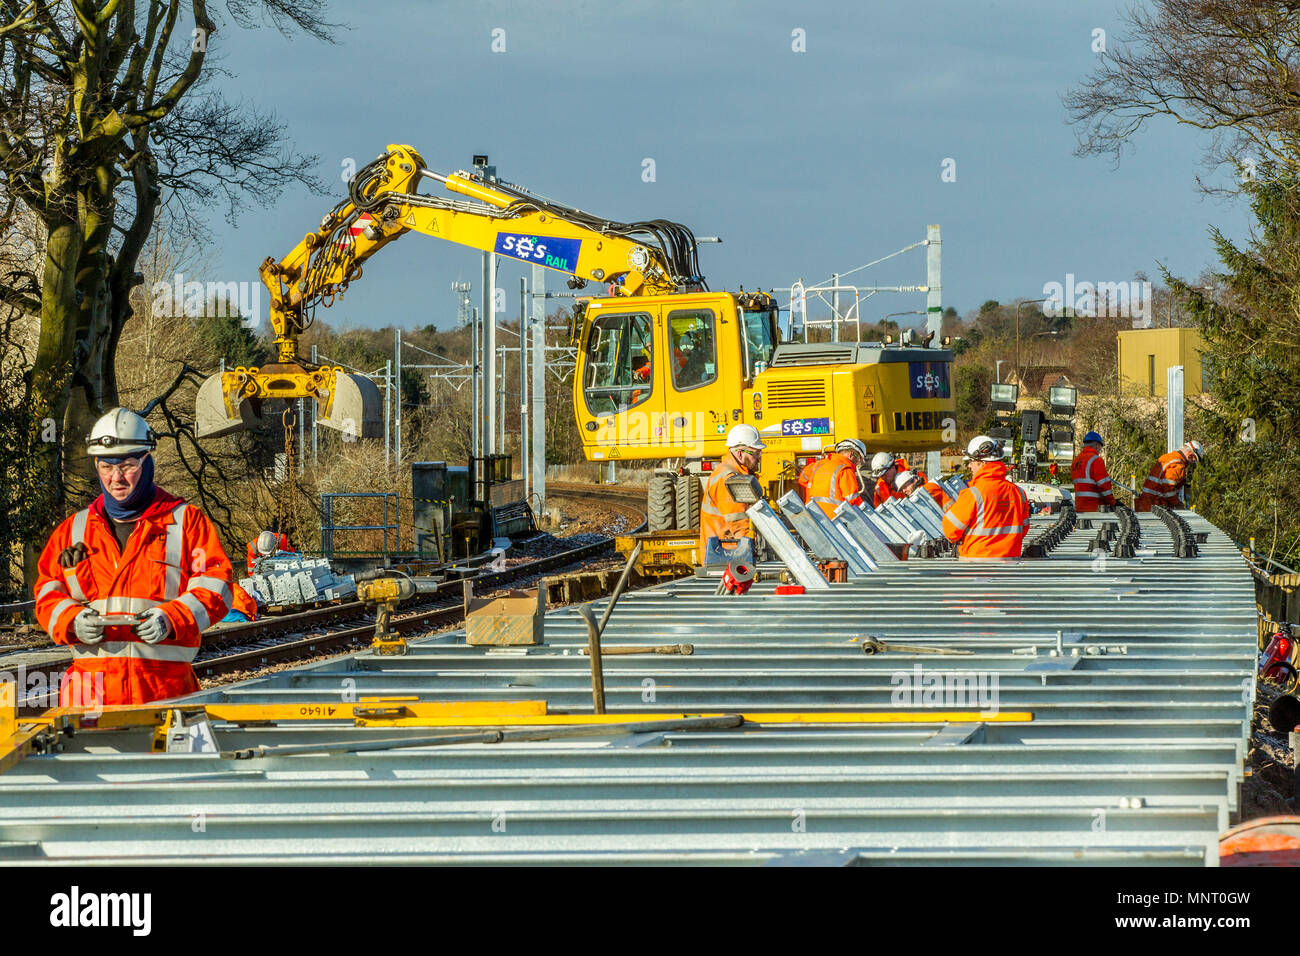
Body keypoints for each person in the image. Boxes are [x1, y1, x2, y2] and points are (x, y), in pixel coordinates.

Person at [33, 408, 235, 707]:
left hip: (165, 693)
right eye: (106, 467)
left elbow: (218, 587)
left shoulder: (184, 523)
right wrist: (72, 620)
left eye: (127, 465)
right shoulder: (72, 532)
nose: (116, 478)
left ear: (146, 459)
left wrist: (171, 618)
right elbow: (47, 593)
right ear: (96, 465)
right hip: (90, 699)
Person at [942, 435, 1030, 557]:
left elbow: (951, 532)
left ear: (982, 463)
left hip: (976, 567)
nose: (969, 466)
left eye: (972, 462)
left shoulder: (973, 494)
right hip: (1010, 567)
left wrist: (952, 509)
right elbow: (1023, 529)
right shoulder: (1018, 492)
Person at [699, 423, 765, 566]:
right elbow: (739, 524)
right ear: (740, 453)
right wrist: (753, 550)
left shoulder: (734, 473)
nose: (759, 457)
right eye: (756, 453)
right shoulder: (729, 478)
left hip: (725, 554)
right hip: (725, 556)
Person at [799, 438, 867, 517]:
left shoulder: (817, 465)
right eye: (859, 459)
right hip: (836, 520)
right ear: (852, 455)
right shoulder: (845, 470)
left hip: (813, 516)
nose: (858, 463)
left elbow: (802, 481)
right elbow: (853, 500)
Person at [1135, 440, 1204, 511]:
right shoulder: (1178, 465)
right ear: (1190, 454)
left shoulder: (1168, 457)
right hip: (1155, 506)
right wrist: (1177, 504)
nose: (1192, 462)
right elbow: (1168, 488)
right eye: (1194, 459)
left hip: (1146, 503)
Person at [1070, 431, 1116, 513]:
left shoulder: (1075, 461)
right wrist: (1113, 503)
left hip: (1079, 508)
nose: (1100, 451)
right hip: (1094, 509)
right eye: (1100, 448)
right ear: (1097, 445)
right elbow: (1104, 486)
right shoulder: (1096, 460)